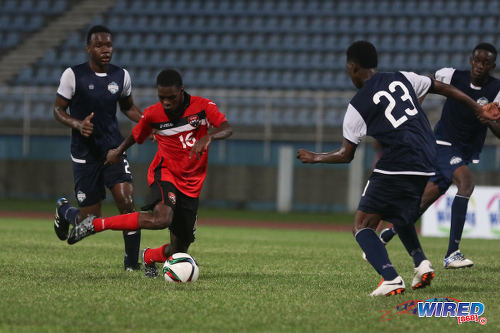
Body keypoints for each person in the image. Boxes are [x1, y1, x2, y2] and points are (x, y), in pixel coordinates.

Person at [297, 41, 500, 296]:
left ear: (352, 67)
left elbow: (345, 154)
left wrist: (315, 157)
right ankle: (421, 263)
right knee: (402, 215)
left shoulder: (357, 106)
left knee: (362, 225)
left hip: (399, 158)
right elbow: (441, 87)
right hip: (427, 155)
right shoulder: (402, 77)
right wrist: (478, 108)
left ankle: (391, 278)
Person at [57, 69, 233, 278]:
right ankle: (96, 225)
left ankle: (149, 256)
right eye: (162, 98)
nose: (166, 102)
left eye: (171, 98)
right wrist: (118, 151)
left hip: (192, 184)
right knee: (162, 218)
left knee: (179, 250)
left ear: (182, 91)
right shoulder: (153, 114)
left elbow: (226, 127)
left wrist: (209, 136)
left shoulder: (203, 106)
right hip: (165, 173)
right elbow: (136, 134)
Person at [379, 43, 500, 269]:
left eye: (486, 63)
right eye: (477, 60)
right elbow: (425, 84)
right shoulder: (451, 75)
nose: (480, 66)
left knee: (425, 200)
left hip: (463, 151)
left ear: (492, 65)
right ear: (471, 60)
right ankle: (452, 253)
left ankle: (388, 234)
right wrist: (414, 111)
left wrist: (491, 120)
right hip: (442, 143)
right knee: (466, 183)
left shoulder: (496, 89)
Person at [53, 25, 143, 271]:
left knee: (127, 203)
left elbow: (128, 107)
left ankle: (131, 265)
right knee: (89, 220)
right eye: (99, 45)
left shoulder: (121, 76)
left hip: (113, 150)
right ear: (88, 48)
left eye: (109, 45)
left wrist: (148, 124)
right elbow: (58, 110)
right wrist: (77, 123)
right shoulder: (73, 75)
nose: (106, 50)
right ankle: (64, 210)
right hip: (85, 155)